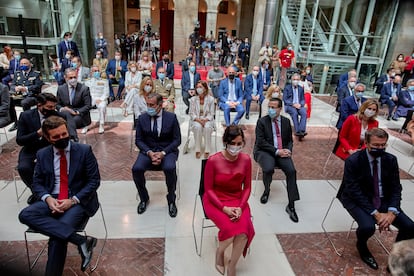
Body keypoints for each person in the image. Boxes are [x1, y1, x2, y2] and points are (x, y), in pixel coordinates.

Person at [18, 116, 100, 275]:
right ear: (48, 138)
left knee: (58, 239)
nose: (62, 138)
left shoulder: (84, 151)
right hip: (52, 197)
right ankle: (81, 240)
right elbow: (37, 183)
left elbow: (94, 181)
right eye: (56, 137)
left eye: (64, 134)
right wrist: (48, 199)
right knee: (25, 214)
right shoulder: (42, 154)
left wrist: (72, 200)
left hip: (77, 199)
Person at [337, 128, 414, 270]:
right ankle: (361, 246)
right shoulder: (353, 161)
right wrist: (376, 214)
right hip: (356, 199)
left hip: (383, 199)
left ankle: (395, 260)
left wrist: (391, 212)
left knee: (410, 227)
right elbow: (354, 191)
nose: (380, 148)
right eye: (376, 145)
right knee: (367, 227)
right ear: (366, 143)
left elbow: (396, 187)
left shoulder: (390, 160)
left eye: (383, 145)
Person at [203, 125, 255, 276]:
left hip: (238, 199)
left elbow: (247, 188)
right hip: (216, 201)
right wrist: (223, 208)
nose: (236, 147)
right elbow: (208, 189)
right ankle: (220, 252)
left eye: (239, 144)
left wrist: (240, 206)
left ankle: (232, 265)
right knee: (231, 231)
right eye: (233, 143)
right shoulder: (213, 161)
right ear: (226, 142)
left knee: (244, 231)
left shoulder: (246, 160)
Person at [16, 93, 78, 204]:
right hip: (32, 148)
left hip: (51, 148)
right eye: (49, 107)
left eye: (54, 107)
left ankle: (53, 190)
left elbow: (68, 134)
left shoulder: (59, 116)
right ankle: (37, 193)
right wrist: (37, 134)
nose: (52, 110)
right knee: (23, 168)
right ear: (39, 105)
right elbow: (20, 140)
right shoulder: (26, 116)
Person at [132, 93, 181, 217]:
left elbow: (177, 140)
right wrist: (149, 152)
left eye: (152, 105)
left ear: (160, 105)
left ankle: (171, 199)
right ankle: (144, 198)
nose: (149, 107)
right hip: (148, 150)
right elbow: (138, 140)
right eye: (147, 104)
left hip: (167, 150)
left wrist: (163, 153)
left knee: (170, 168)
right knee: (136, 169)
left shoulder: (171, 117)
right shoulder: (142, 118)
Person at [254, 98, 300, 222]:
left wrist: (288, 150)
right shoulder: (262, 122)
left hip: (282, 151)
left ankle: (291, 205)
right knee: (268, 168)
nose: (271, 109)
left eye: (274, 107)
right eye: (269, 107)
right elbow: (260, 142)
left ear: (280, 109)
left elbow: (289, 140)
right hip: (265, 151)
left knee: (291, 171)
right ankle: (267, 190)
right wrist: (277, 151)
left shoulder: (285, 121)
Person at [9, 57, 44, 131]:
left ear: (30, 65)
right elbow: (12, 85)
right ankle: (16, 122)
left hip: (33, 95)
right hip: (19, 95)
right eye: (21, 64)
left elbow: (38, 86)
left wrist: (26, 88)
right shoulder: (17, 73)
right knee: (10, 101)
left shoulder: (36, 74)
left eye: (25, 63)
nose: (23, 65)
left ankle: (27, 121)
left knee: (24, 103)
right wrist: (15, 88)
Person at [56, 68, 92, 133]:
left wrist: (75, 112)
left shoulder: (84, 89)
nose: (73, 79)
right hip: (66, 113)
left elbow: (88, 105)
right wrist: (62, 109)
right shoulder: (61, 89)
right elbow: (57, 104)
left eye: (75, 77)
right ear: (65, 78)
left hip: (79, 114)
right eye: (71, 78)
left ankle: (72, 137)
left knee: (71, 122)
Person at [189, 80, 215, 159]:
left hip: (207, 119)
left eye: (200, 87)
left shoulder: (210, 99)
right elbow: (191, 113)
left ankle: (207, 149)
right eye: (197, 87)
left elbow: (212, 113)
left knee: (207, 127)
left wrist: (205, 120)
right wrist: (198, 120)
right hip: (197, 119)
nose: (198, 89)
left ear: (205, 88)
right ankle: (198, 149)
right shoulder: (193, 99)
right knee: (197, 127)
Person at [84, 66, 109, 134]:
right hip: (91, 98)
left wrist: (101, 99)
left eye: (98, 71)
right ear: (91, 72)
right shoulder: (87, 82)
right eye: (95, 71)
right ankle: (86, 125)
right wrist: (94, 99)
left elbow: (106, 93)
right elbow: (87, 92)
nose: (97, 72)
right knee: (84, 107)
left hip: (100, 98)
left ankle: (101, 124)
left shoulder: (104, 81)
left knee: (102, 106)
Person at [283, 73, 307, 139]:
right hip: (290, 105)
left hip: (299, 105)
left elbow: (302, 99)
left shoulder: (301, 88)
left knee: (304, 113)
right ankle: (297, 131)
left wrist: (300, 104)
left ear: (299, 80)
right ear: (291, 80)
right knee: (294, 113)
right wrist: (293, 104)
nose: (295, 81)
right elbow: (285, 99)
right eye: (294, 79)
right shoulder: (287, 88)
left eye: (297, 79)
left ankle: (302, 130)